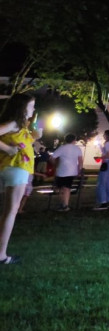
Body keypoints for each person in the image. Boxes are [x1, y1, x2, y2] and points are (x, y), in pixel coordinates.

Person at [0, 93, 40, 264]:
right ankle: (1, 256)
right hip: (16, 169)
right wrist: (8, 150)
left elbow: (25, 143)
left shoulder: (20, 126)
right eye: (31, 106)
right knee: (10, 212)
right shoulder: (14, 123)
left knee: (8, 211)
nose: (33, 109)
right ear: (22, 108)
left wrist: (36, 136)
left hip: (12, 169)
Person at [49, 134, 84, 212]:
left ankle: (63, 204)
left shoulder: (62, 148)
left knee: (61, 188)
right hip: (72, 171)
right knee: (67, 188)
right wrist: (79, 170)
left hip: (62, 171)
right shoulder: (77, 148)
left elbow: (52, 158)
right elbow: (80, 161)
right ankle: (65, 205)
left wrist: (55, 164)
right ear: (74, 140)